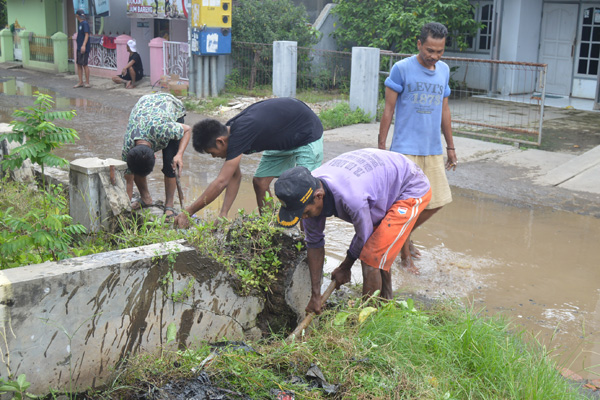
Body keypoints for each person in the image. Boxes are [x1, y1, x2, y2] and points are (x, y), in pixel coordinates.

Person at [275, 149, 431, 314]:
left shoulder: (351, 198)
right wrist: (315, 295)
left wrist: (345, 266)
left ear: (319, 196)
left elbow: (364, 237)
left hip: (409, 186)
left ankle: (367, 322)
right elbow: (314, 244)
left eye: (305, 213)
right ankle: (386, 302)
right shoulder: (308, 190)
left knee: (371, 256)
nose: (304, 218)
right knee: (378, 247)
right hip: (378, 182)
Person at [378, 22, 457, 275]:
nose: (434, 56)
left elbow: (445, 110)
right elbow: (388, 110)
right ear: (419, 44)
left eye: (440, 51)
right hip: (405, 150)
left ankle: (404, 234)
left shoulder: (443, 70)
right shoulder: (401, 69)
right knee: (407, 206)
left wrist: (451, 147)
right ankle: (404, 259)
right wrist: (381, 146)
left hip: (432, 148)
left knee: (438, 201)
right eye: (430, 50)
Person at [173, 97, 323, 229]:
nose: (214, 157)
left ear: (220, 142)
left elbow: (221, 181)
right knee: (260, 182)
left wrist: (188, 212)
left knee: (305, 196)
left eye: (212, 152)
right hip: (283, 138)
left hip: (306, 134)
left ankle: (307, 241)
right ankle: (272, 229)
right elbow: (234, 177)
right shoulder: (229, 131)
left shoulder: (240, 133)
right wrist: (223, 213)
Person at [122, 93, 192, 218]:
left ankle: (169, 205)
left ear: (154, 156)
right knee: (137, 164)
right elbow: (128, 178)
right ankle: (146, 199)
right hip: (145, 103)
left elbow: (187, 129)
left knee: (171, 163)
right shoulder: (128, 145)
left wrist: (179, 155)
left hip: (170, 106)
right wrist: (125, 208)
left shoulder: (164, 129)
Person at [74, 9, 91, 88]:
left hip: (83, 47)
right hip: (79, 47)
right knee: (79, 64)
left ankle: (87, 82)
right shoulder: (80, 24)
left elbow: (86, 35)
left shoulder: (84, 24)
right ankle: (81, 81)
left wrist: (84, 45)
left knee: (85, 64)